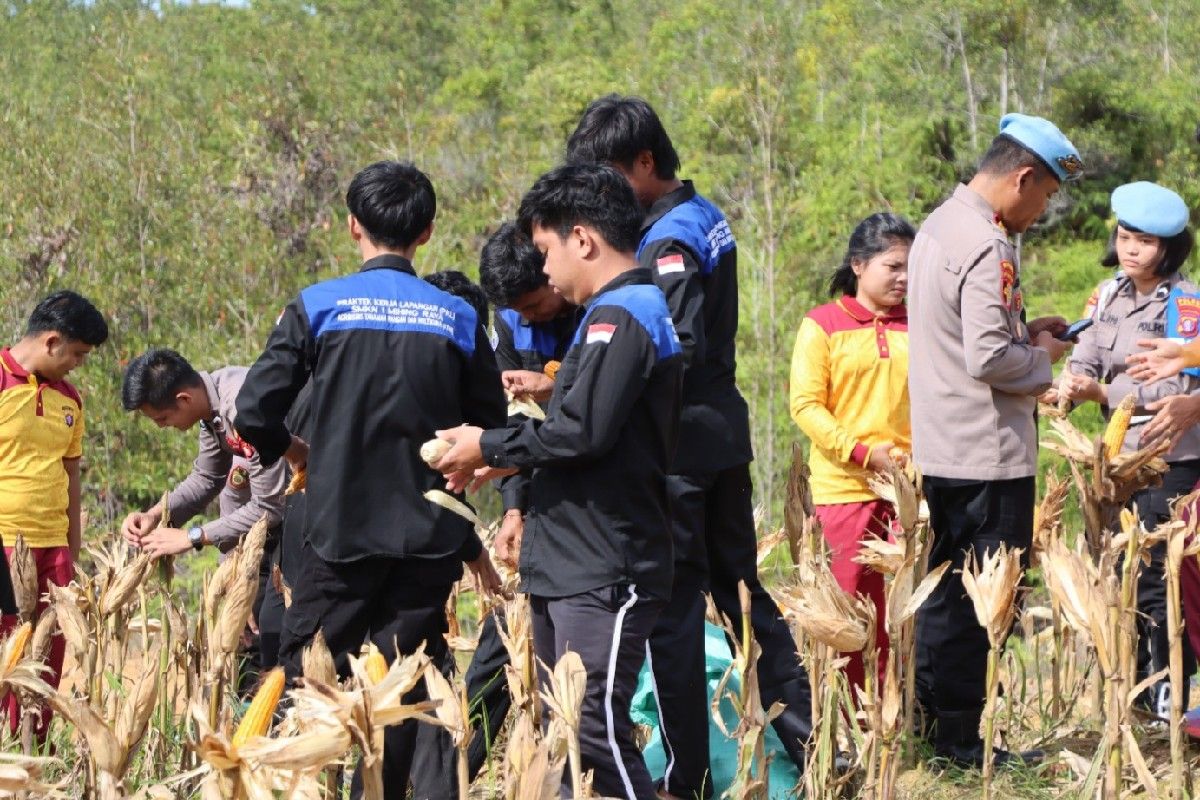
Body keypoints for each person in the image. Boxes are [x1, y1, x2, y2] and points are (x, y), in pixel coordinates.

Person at [233, 160, 506, 800]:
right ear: (428, 232)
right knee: (399, 688)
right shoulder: (458, 318)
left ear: (352, 225)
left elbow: (251, 413)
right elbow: (488, 427)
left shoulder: (317, 306)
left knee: (307, 684)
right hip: (427, 542)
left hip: (333, 535)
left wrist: (296, 449)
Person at [566, 94, 812, 797]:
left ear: (646, 162)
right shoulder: (703, 215)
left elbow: (678, 343)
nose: (607, 192)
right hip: (722, 435)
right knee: (743, 599)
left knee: (674, 610)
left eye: (613, 173)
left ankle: (687, 773)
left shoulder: (666, 241)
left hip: (683, 447)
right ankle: (810, 738)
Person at [431, 163, 683, 800]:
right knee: (565, 738)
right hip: (570, 561)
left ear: (583, 240)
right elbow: (575, 431)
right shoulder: (608, 313)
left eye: (544, 251)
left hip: (606, 564)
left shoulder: (624, 314)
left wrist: (488, 443)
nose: (541, 270)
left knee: (592, 733)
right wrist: (505, 461)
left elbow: (580, 432)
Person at [906, 113, 1080, 767]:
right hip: (986, 452)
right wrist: (1044, 357)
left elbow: (963, 336)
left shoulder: (937, 227)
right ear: (1023, 177)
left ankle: (930, 729)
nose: (1041, 209)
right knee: (982, 595)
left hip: (944, 443)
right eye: (1046, 195)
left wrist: (1026, 331)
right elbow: (986, 357)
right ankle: (958, 741)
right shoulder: (987, 242)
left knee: (944, 591)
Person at [1054, 181, 1199, 717]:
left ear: (1170, 248)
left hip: (1167, 460)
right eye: (1124, 237)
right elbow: (1085, 352)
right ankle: (1127, 691)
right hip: (1113, 462)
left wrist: (1104, 393)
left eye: (1145, 241)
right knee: (1118, 576)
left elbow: (1175, 392)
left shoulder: (1186, 304)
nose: (1131, 249)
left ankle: (1168, 696)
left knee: (1162, 580)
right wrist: (1072, 383)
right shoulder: (1108, 293)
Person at [460, 223, 583, 778]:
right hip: (538, 492)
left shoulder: (595, 304)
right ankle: (457, 770)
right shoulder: (511, 317)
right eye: (517, 311)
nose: (529, 319)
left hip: (596, 501)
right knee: (507, 637)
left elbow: (593, 415)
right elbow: (516, 419)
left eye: (535, 303)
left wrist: (554, 386)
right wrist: (514, 508)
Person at [789, 212, 915, 691]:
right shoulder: (822, 325)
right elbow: (806, 406)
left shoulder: (922, 325)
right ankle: (849, 723)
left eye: (911, 267)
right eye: (893, 266)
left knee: (903, 611)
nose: (904, 278)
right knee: (850, 617)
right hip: (844, 490)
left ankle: (903, 719)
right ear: (858, 265)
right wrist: (862, 452)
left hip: (909, 491)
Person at [119, 349, 288, 672]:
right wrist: (155, 515)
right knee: (246, 646)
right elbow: (206, 478)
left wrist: (193, 537)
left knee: (272, 644)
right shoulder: (210, 413)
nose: (162, 427)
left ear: (183, 399)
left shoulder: (243, 406)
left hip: (292, 537)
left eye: (162, 419)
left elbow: (271, 506)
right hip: (254, 543)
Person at [0, 290, 108, 737]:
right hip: (5, 544)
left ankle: (33, 754)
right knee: (8, 654)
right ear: (51, 341)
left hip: (54, 550)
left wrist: (74, 550)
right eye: (77, 354)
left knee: (46, 659)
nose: (77, 364)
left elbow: (72, 477)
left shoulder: (70, 400)